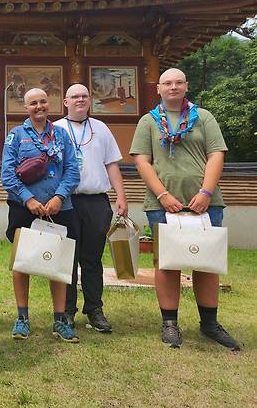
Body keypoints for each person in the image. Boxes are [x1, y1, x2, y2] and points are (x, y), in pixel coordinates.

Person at [130, 68, 240, 351]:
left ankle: (210, 323)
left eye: (178, 82)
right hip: (162, 203)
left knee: (207, 261)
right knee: (167, 263)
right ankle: (169, 323)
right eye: (167, 83)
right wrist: (163, 194)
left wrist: (205, 191)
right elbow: (143, 161)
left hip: (205, 202)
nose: (173, 87)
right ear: (158, 88)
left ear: (186, 86)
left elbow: (216, 154)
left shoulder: (204, 118)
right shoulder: (148, 121)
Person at [1, 88, 80, 343]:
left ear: (50, 104)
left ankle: (60, 319)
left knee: (57, 263)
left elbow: (72, 170)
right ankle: (22, 318)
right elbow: (7, 175)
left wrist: (59, 197)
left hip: (60, 208)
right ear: (26, 108)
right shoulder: (16, 136)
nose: (39, 106)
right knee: (21, 263)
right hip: (24, 209)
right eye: (33, 103)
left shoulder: (62, 135)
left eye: (43, 102)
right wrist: (29, 200)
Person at [54, 84, 128, 333]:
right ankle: (66, 310)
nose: (80, 100)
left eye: (85, 96)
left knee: (92, 258)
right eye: (75, 96)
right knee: (66, 259)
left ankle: (94, 309)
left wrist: (121, 196)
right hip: (66, 202)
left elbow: (112, 165)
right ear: (66, 102)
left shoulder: (101, 128)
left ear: (90, 101)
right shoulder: (56, 129)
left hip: (96, 201)